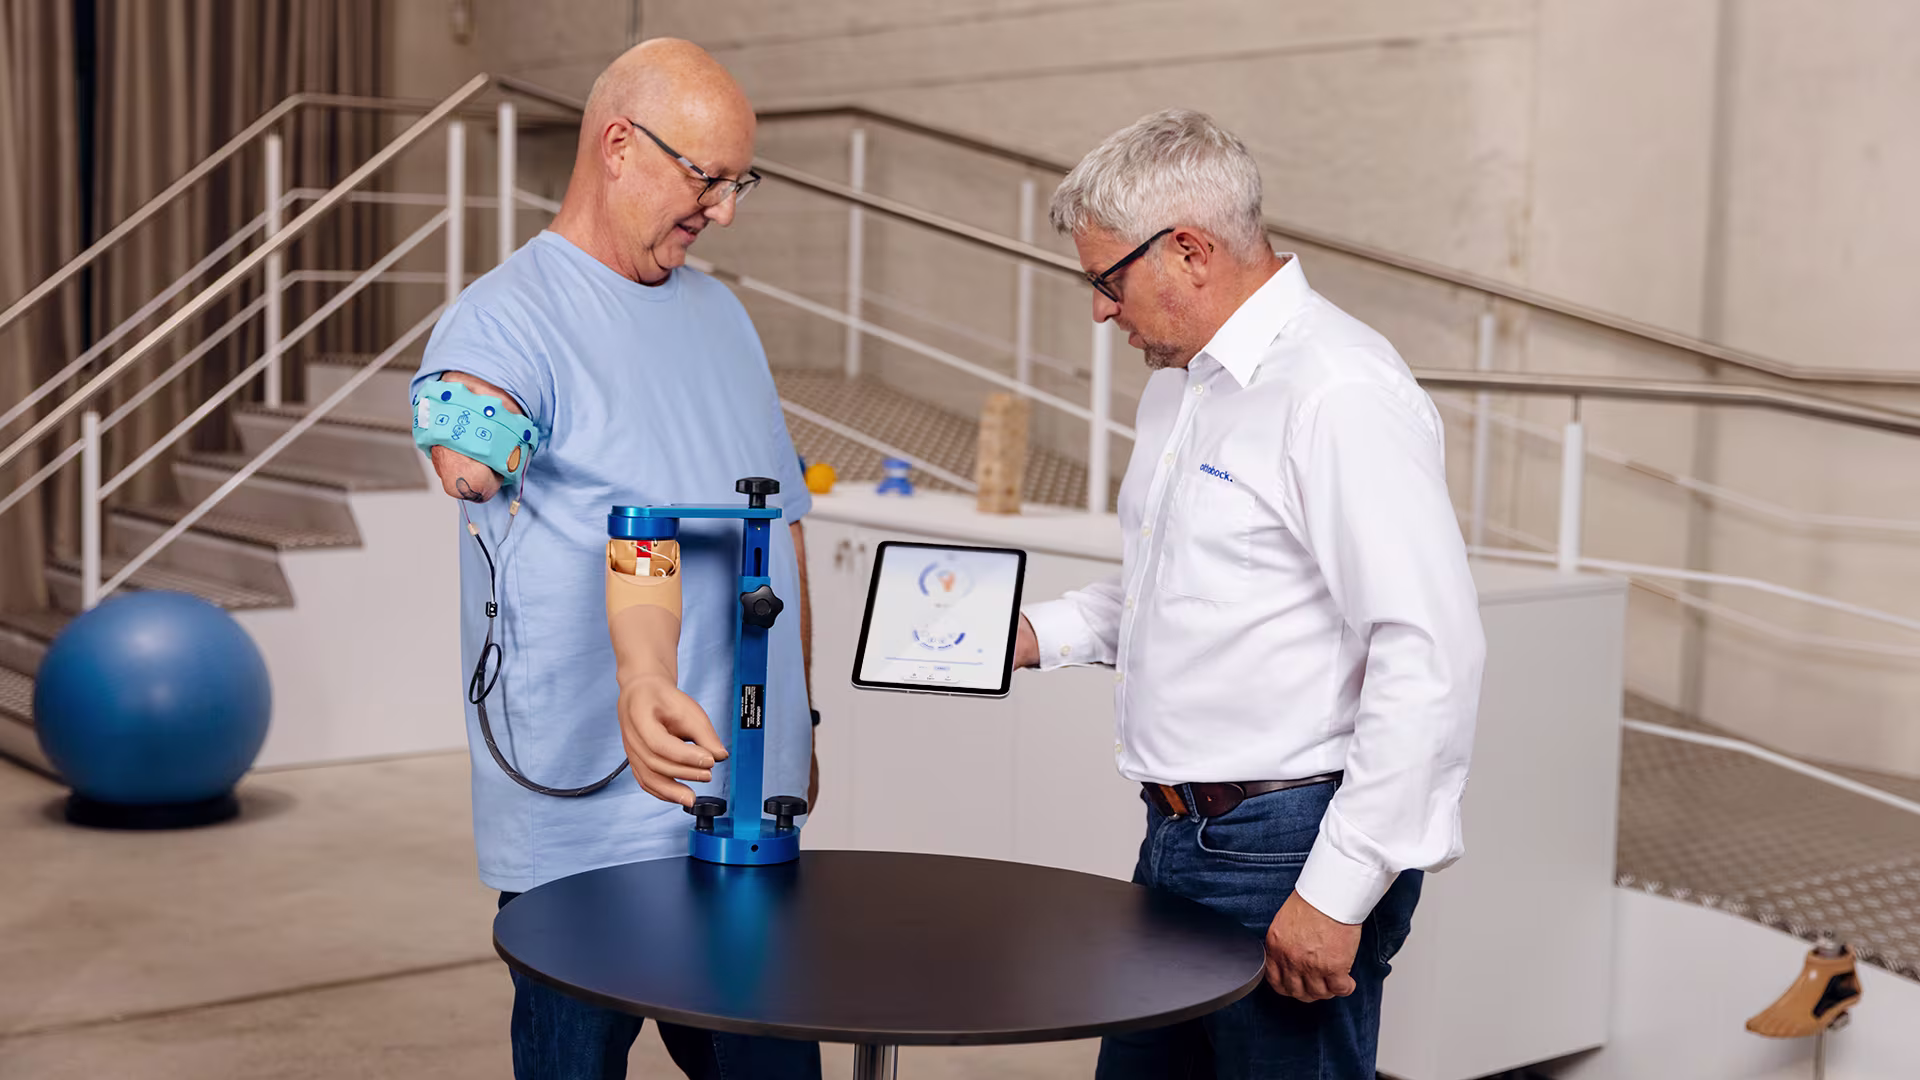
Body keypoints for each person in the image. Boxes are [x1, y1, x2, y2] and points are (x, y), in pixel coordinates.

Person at [1014, 108, 1485, 1078]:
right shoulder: (1181, 390)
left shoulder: (1337, 389)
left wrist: (1336, 893)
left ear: (1188, 250)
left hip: (1287, 851)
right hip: (1180, 838)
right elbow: (1173, 589)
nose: (1101, 312)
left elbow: (1427, 651)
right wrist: (1025, 634)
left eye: (1108, 280)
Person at [410, 39, 821, 1080]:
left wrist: (802, 729)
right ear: (620, 146)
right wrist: (470, 435)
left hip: (739, 813)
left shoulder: (721, 316)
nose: (724, 210)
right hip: (583, 834)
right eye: (707, 179)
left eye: (740, 183)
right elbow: (465, 441)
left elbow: (781, 527)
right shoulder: (509, 314)